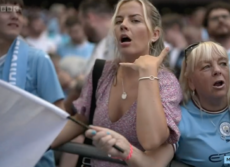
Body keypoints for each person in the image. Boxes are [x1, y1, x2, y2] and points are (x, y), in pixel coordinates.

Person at [84, 41, 230, 167]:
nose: (217, 70)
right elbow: (153, 164)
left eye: (222, 63)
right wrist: (126, 148)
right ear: (190, 81)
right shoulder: (180, 117)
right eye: (206, 66)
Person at [51, 0, 182, 166]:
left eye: (135, 20)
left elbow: (152, 141)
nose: (123, 25)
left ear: (155, 34)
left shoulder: (166, 82)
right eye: (119, 21)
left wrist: (148, 74)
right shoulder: (101, 72)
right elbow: (82, 118)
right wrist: (38, 143)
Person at [0, 1, 65, 167]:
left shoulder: (38, 59)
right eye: (6, 10)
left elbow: (59, 117)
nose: (14, 15)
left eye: (19, 12)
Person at [78, 0, 116, 76]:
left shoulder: (118, 40)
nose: (82, 28)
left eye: (81, 22)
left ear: (90, 18)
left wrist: (74, 83)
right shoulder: (102, 43)